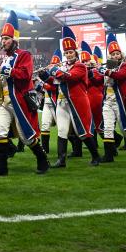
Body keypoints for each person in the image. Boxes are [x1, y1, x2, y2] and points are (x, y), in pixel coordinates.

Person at [0, 11, 49, 177]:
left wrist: (7, 70)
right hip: (3, 100)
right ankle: (2, 167)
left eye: (6, 39)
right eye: (2, 39)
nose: (3, 41)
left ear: (15, 40)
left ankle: (42, 159)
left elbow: (26, 74)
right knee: (0, 132)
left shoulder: (24, 55)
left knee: (26, 135)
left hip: (19, 101)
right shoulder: (3, 58)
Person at [42, 29, 100, 167]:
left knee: (83, 131)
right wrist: (44, 75)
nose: (68, 55)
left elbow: (69, 77)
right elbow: (55, 82)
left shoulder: (80, 66)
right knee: (62, 130)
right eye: (66, 53)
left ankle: (95, 156)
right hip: (62, 102)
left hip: (77, 102)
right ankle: (61, 160)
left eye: (70, 52)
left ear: (76, 52)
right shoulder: (63, 66)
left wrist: (55, 70)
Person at [98, 36, 126, 162]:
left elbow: (121, 76)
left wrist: (105, 71)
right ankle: (108, 155)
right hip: (107, 101)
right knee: (107, 127)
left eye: (117, 53)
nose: (115, 56)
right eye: (113, 54)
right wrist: (95, 70)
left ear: (121, 55)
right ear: (110, 56)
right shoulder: (108, 66)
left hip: (121, 102)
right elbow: (99, 80)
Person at [36, 50, 62, 154]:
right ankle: (45, 150)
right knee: (45, 125)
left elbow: (53, 87)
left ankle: (75, 146)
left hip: (56, 102)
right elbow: (41, 88)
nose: (52, 66)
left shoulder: (60, 74)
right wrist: (41, 77)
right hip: (47, 102)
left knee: (62, 127)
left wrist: (43, 81)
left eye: (54, 64)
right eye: (51, 64)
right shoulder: (49, 74)